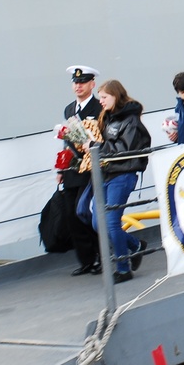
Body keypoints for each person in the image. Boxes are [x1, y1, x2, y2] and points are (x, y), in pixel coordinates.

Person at [87, 79, 151, 284]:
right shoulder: (107, 118)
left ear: (116, 95)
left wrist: (95, 146)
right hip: (107, 173)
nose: (101, 101)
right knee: (98, 222)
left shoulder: (130, 120)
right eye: (100, 98)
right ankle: (135, 246)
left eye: (104, 97)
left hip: (123, 174)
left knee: (112, 222)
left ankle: (123, 269)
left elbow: (124, 150)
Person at [60, 65, 102, 276]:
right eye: (75, 83)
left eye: (82, 82)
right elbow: (67, 140)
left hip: (91, 167)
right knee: (72, 215)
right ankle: (86, 260)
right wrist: (61, 166)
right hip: (72, 168)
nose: (78, 86)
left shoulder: (98, 108)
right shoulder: (69, 110)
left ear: (92, 84)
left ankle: (102, 257)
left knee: (87, 212)